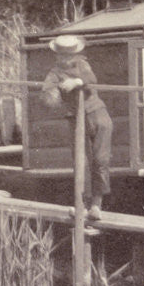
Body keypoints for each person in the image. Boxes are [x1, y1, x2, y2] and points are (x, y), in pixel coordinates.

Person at [42, 34, 113, 220]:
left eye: (68, 55)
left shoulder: (82, 64)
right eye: (62, 55)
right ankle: (81, 205)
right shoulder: (54, 72)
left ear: (75, 54)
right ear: (57, 55)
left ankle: (97, 206)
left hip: (97, 115)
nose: (65, 59)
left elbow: (91, 79)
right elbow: (47, 95)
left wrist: (77, 82)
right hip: (75, 118)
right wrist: (54, 92)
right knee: (80, 162)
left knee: (100, 160)